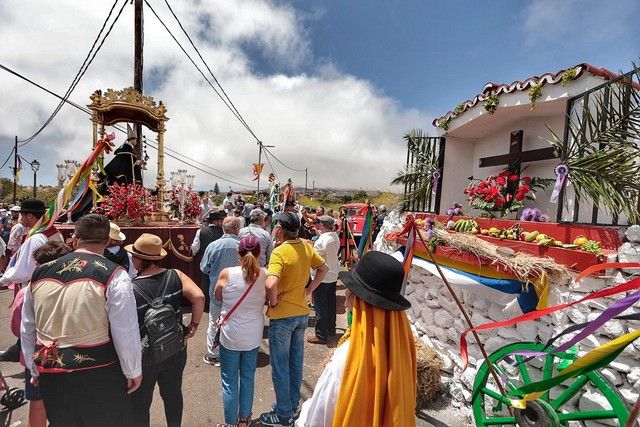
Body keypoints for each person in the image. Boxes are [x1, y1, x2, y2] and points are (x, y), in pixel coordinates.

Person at [21, 213, 143, 427]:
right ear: (107, 241)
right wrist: (133, 370)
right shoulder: (114, 274)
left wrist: (34, 366)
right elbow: (126, 329)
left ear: (75, 239)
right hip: (98, 370)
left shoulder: (40, 272)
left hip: (50, 370)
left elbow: (28, 327)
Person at [295, 251, 417, 427]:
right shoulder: (402, 346)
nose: (345, 291)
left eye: (349, 286)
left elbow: (315, 420)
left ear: (355, 297)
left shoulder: (347, 358)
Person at [126, 233, 205, 427]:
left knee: (141, 403)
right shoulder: (175, 275)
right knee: (173, 395)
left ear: (139, 259)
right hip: (175, 348)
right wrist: (193, 326)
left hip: (146, 355)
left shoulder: (131, 287)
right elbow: (199, 297)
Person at [259, 211, 329, 427]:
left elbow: (270, 284)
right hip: (301, 313)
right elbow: (323, 268)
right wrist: (309, 290)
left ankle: (283, 415)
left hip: (283, 316)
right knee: (295, 363)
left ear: (280, 230)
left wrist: (271, 302)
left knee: (280, 366)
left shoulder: (280, 252)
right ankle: (289, 405)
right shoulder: (306, 246)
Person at [11, 241, 73, 427]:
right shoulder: (76, 288)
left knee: (38, 402)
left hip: (37, 354)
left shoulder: (26, 291)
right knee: (68, 403)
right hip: (70, 352)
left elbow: (17, 328)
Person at [214, 235, 267, 427]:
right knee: (247, 378)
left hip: (231, 335)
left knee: (229, 381)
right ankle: (244, 420)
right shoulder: (265, 275)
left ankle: (230, 423)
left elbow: (217, 295)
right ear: (260, 253)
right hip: (253, 336)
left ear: (238, 252)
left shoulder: (227, 273)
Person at [1, 199, 63, 362]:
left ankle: (29, 358)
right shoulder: (52, 231)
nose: (19, 217)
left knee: (30, 323)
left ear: (30, 216)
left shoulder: (35, 238)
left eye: (21, 214)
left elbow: (25, 270)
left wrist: (4, 279)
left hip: (35, 285)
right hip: (53, 283)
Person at [200, 216, 241, 366]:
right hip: (239, 292)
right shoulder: (243, 245)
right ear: (236, 228)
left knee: (215, 322)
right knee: (236, 322)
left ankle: (214, 354)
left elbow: (204, 268)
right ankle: (234, 353)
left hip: (217, 291)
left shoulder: (214, 245)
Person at [307, 215, 340, 345]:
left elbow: (315, 257)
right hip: (332, 274)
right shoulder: (334, 237)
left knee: (320, 307)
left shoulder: (323, 240)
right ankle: (331, 329)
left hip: (322, 276)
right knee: (330, 304)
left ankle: (320, 335)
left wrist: (310, 246)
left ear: (322, 225)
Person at [192, 210, 225, 304]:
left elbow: (195, 248)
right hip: (220, 260)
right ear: (216, 221)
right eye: (220, 220)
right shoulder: (223, 231)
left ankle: (206, 303)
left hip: (206, 260)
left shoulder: (201, 231)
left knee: (206, 281)